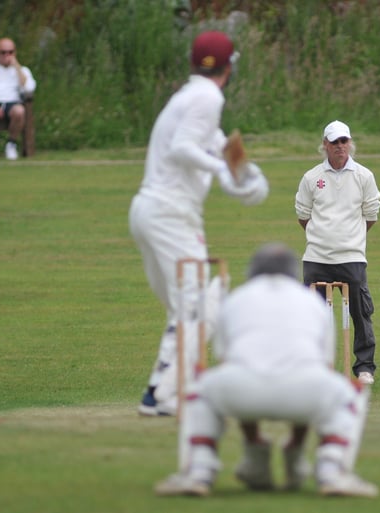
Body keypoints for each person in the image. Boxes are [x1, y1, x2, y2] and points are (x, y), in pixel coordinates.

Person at [154, 243, 378, 498]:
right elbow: (319, 368)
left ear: (253, 272)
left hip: (241, 390)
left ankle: (200, 470)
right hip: (305, 391)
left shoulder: (237, 298)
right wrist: (296, 443)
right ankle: (332, 469)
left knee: (199, 389)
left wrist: (253, 440)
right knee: (348, 393)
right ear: (292, 274)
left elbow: (230, 363)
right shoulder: (312, 301)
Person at [129, 30, 269, 417]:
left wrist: (245, 174)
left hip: (149, 209)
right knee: (198, 304)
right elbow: (184, 149)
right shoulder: (208, 96)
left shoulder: (188, 96)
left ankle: (158, 391)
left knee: (184, 307)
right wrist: (225, 171)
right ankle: (168, 395)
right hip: (170, 212)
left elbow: (220, 147)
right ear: (229, 68)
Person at [295, 120, 380, 385]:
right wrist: (323, 237)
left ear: (350, 143)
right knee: (312, 315)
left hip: (352, 257)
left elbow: (371, 214)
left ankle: (364, 367)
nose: (340, 147)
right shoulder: (312, 177)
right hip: (316, 257)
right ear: (325, 145)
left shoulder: (364, 176)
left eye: (344, 141)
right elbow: (303, 215)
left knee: (360, 312)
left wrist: (349, 239)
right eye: (335, 142)